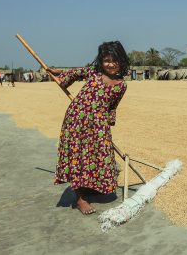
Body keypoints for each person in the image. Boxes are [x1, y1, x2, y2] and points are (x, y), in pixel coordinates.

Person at [47, 41, 129, 215]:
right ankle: (80, 199)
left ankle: (91, 186)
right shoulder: (94, 72)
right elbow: (77, 72)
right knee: (79, 156)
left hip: (98, 125)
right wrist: (60, 73)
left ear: (122, 61)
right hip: (77, 120)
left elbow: (113, 106)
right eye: (107, 60)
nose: (111, 64)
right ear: (101, 61)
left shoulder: (121, 85)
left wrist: (107, 123)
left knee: (98, 153)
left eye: (115, 60)